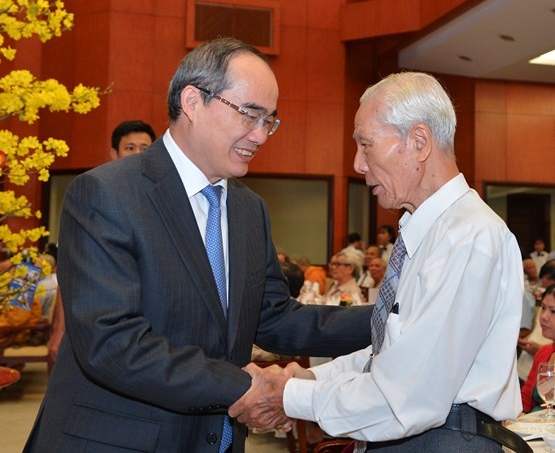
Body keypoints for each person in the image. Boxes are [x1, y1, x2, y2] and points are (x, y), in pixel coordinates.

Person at [25, 37, 373, 453]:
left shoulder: (248, 209)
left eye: (270, 121)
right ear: (193, 101)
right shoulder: (107, 194)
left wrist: (393, 314)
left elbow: (276, 319)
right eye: (250, 115)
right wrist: (246, 386)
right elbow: (113, 342)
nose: (261, 135)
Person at [229, 71, 525, 452]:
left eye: (366, 145)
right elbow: (391, 356)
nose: (358, 164)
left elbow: (407, 396)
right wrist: (308, 380)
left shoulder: (468, 238)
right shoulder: (430, 234)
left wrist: (289, 396)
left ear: (418, 141)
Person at [521, 284, 555, 413]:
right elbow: (525, 398)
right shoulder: (544, 353)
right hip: (533, 428)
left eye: (553, 311)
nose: (544, 316)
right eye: (543, 308)